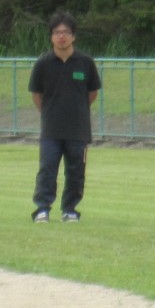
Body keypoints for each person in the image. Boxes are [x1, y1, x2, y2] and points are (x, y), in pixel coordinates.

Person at [28, 11, 102, 223]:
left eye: (66, 32)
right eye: (57, 32)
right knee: (47, 170)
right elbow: (36, 94)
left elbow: (92, 93)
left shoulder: (85, 63)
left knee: (76, 171)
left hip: (78, 129)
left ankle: (69, 209)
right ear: (51, 36)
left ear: (73, 36)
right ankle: (42, 209)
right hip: (51, 129)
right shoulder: (43, 63)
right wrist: (50, 113)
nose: (61, 36)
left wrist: (76, 110)